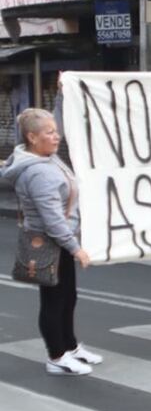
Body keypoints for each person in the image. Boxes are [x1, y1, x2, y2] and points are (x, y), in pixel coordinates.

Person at [1, 108, 102, 375]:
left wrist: (61, 93)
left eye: (56, 131)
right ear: (33, 138)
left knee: (68, 297)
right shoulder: (38, 173)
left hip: (59, 240)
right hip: (49, 242)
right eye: (50, 133)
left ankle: (70, 347)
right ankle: (56, 357)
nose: (57, 137)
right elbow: (52, 219)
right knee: (54, 300)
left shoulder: (45, 156)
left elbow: (55, 117)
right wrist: (75, 248)